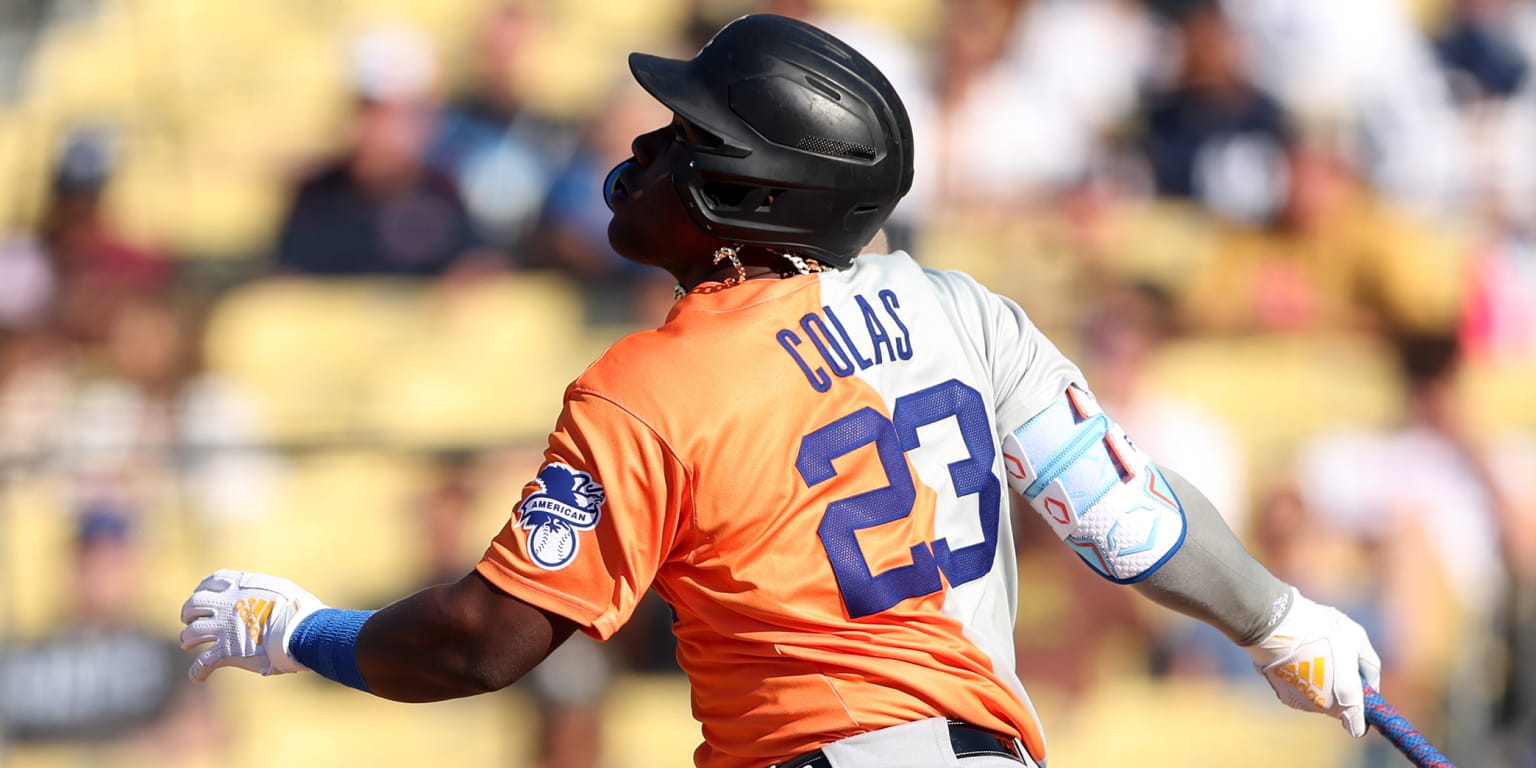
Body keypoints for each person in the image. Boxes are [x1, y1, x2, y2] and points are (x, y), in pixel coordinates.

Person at [179, 15, 1384, 768]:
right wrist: (1284, 623)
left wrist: (300, 632)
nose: (645, 149)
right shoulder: (961, 312)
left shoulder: (650, 385)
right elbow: (1132, 525)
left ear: (749, 194)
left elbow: (484, 643)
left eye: (680, 138)